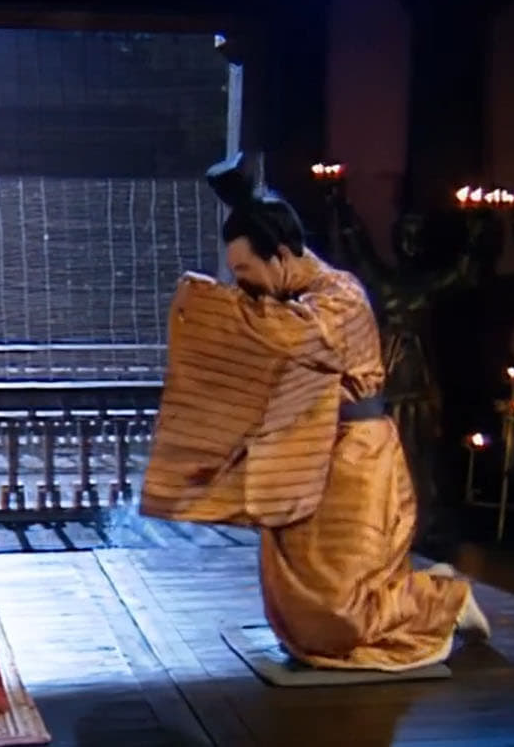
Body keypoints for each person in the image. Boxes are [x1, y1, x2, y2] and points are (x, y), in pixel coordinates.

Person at [141, 152, 488, 672]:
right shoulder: (290, 298)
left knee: (342, 606)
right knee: (299, 598)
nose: (243, 284)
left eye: (246, 270)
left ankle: (445, 599)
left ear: (282, 255)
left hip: (357, 460)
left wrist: (204, 303)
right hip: (303, 456)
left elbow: (286, 336)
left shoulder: (338, 297)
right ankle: (335, 630)